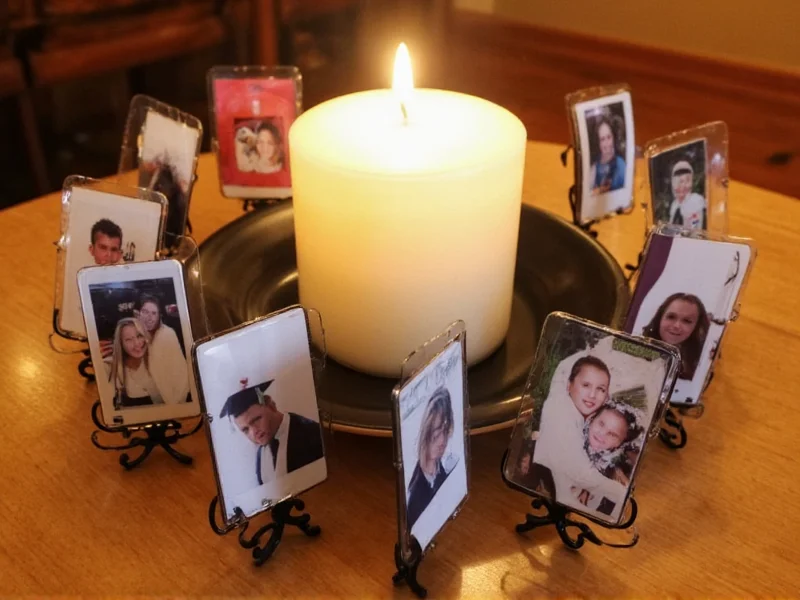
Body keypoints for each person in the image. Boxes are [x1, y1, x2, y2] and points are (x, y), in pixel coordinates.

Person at [531, 355, 627, 510]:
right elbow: (579, 470)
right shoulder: (560, 408)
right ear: (569, 386)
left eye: (600, 389)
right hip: (546, 484)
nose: (592, 395)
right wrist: (620, 492)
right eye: (586, 385)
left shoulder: (584, 417)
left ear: (606, 396)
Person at [219, 379, 324, 486]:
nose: (254, 432)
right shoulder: (260, 452)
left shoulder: (312, 434)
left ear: (271, 405)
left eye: (256, 419)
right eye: (245, 430)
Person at [572, 402, 644, 515]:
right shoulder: (575, 436)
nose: (602, 434)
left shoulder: (613, 465)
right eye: (601, 424)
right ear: (592, 419)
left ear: (621, 443)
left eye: (612, 434)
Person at [406, 386, 457, 530]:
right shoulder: (414, 496)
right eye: (436, 434)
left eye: (445, 432)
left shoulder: (445, 470)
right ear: (426, 434)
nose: (443, 441)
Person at [135, 294, 190, 405]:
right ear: (138, 314)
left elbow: (177, 376)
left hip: (175, 400)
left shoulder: (166, 334)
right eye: (145, 312)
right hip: (159, 400)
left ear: (159, 316)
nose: (149, 317)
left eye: (153, 313)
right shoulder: (140, 335)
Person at [643, 293, 709, 381]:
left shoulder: (701, 368)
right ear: (660, 318)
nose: (677, 326)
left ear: (697, 327)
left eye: (687, 321)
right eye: (671, 317)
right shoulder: (634, 352)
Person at [107, 318, 163, 408]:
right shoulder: (114, 368)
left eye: (139, 336)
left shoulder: (161, 360)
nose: (136, 343)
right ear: (121, 344)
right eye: (128, 340)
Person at [588, 115, 626, 194]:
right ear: (598, 143)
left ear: (613, 137)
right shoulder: (594, 165)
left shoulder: (621, 165)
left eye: (609, 137)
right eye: (602, 139)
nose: (607, 143)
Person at [668, 159, 707, 229]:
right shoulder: (674, 205)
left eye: (687, 180)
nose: (682, 186)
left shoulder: (696, 201)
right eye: (679, 181)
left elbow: (696, 228)